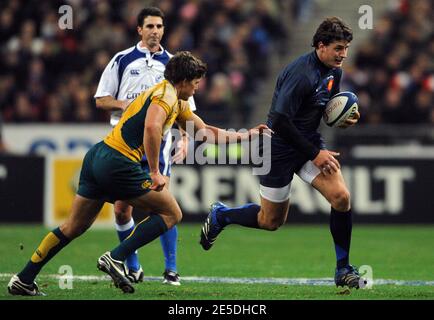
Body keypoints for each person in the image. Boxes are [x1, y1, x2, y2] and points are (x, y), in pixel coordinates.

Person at [8, 51, 269, 296]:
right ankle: (116, 257)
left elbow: (205, 132)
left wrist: (246, 135)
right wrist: (155, 171)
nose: (198, 87)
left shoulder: (175, 100)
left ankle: (24, 278)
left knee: (72, 227)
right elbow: (153, 127)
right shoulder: (165, 96)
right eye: (197, 82)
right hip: (118, 162)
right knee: (171, 213)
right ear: (186, 80)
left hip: (98, 156)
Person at [199, 17, 364, 289]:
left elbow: (316, 105)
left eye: (346, 48)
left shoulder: (335, 71)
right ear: (320, 46)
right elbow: (279, 121)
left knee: (341, 197)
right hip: (277, 148)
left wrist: (338, 118)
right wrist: (315, 154)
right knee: (270, 221)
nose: (343, 54)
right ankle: (221, 215)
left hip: (308, 143)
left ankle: (342, 269)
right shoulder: (301, 73)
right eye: (338, 48)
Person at [94, 7, 192, 285]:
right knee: (122, 209)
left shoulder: (174, 64)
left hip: (160, 145)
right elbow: (101, 99)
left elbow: (185, 107)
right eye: (149, 26)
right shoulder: (122, 60)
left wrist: (185, 138)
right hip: (124, 145)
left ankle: (171, 269)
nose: (155, 31)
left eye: (159, 26)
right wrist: (126, 104)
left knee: (161, 205)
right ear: (139, 30)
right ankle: (132, 264)